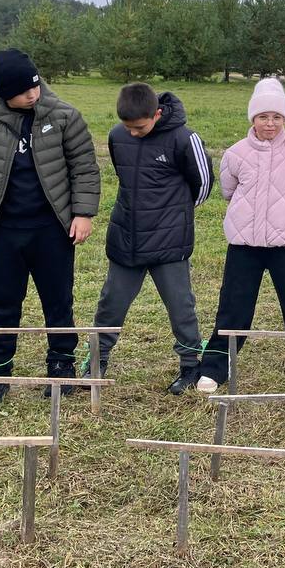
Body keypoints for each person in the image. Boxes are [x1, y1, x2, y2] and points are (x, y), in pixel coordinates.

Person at [0, 49, 100, 409]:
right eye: (23, 91)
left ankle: (61, 363)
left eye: (35, 86)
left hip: (52, 229)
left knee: (58, 299)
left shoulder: (65, 116)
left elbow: (84, 167)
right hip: (5, 231)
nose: (32, 94)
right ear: (4, 92)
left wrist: (83, 213)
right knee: (1, 301)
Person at [196, 78, 285, 393]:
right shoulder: (236, 153)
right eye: (263, 116)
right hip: (244, 244)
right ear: (253, 117)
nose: (270, 123)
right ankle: (215, 365)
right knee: (233, 305)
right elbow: (229, 191)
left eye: (277, 117)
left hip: (284, 244)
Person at [87, 83, 213, 392]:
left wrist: (175, 215)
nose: (132, 133)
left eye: (139, 127)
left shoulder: (184, 139)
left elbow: (204, 184)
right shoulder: (117, 136)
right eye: (127, 127)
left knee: (181, 306)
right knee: (111, 303)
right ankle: (96, 361)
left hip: (169, 241)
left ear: (156, 114)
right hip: (126, 238)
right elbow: (124, 176)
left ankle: (190, 365)